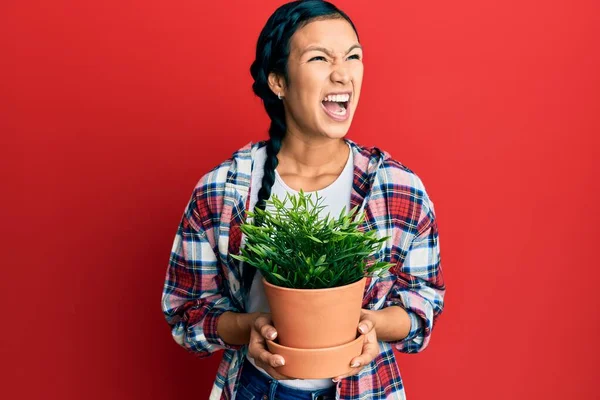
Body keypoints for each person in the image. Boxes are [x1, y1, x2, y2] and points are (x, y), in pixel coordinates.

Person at [161, 1, 446, 399]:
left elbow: (422, 305)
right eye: (318, 57)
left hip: (366, 389)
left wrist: (371, 325)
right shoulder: (223, 189)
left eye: (353, 56)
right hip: (257, 388)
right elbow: (186, 312)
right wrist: (250, 328)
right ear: (278, 81)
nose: (342, 73)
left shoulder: (398, 188)